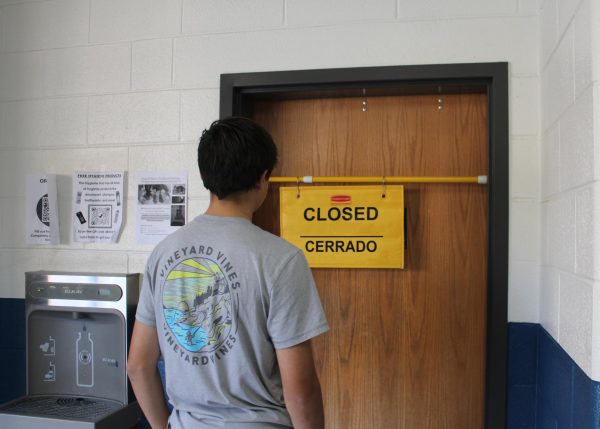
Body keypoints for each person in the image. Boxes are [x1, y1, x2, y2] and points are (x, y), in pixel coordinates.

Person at [128, 117, 329, 429]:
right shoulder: (281, 259)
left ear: (206, 175)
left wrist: (161, 426)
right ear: (263, 178)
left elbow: (138, 366)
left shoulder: (163, 255)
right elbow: (300, 392)